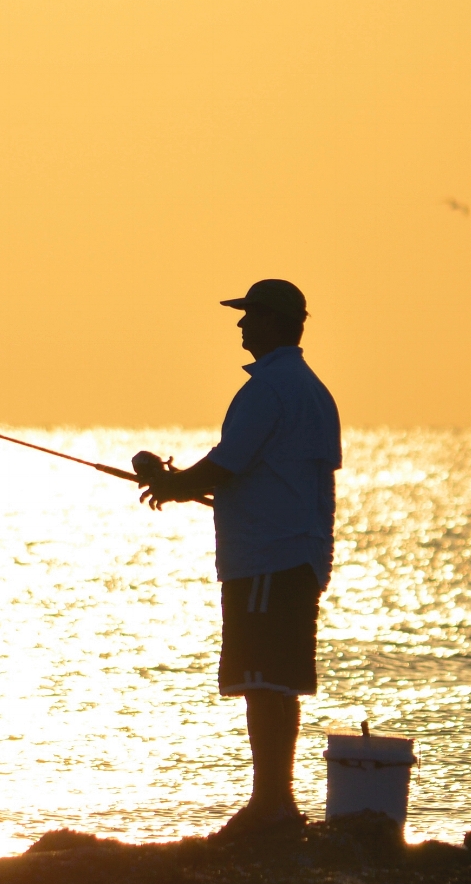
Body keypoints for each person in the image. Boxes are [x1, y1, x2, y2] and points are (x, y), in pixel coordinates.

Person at [133, 279, 341, 839]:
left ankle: (270, 807)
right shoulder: (313, 392)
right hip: (297, 554)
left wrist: (172, 487)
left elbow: (229, 464)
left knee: (264, 684)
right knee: (277, 682)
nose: (241, 326)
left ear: (273, 323)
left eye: (249, 316)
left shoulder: (269, 389)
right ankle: (276, 801)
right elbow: (296, 478)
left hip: (266, 559)